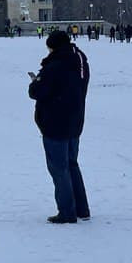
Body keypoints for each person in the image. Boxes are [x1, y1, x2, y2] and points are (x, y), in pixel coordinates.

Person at [27, 30, 90, 224]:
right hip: (75, 119)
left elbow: (37, 92)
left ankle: (67, 211)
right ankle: (81, 209)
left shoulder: (54, 66)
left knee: (59, 168)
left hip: (55, 122)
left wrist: (36, 82)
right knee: (72, 164)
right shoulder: (79, 60)